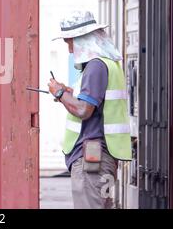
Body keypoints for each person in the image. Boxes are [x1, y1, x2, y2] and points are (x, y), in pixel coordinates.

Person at [48, 11, 132, 209]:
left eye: (70, 43)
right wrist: (70, 92)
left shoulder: (95, 66)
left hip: (92, 161)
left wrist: (60, 93)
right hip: (101, 159)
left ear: (82, 40)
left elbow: (84, 110)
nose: (70, 50)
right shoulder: (108, 64)